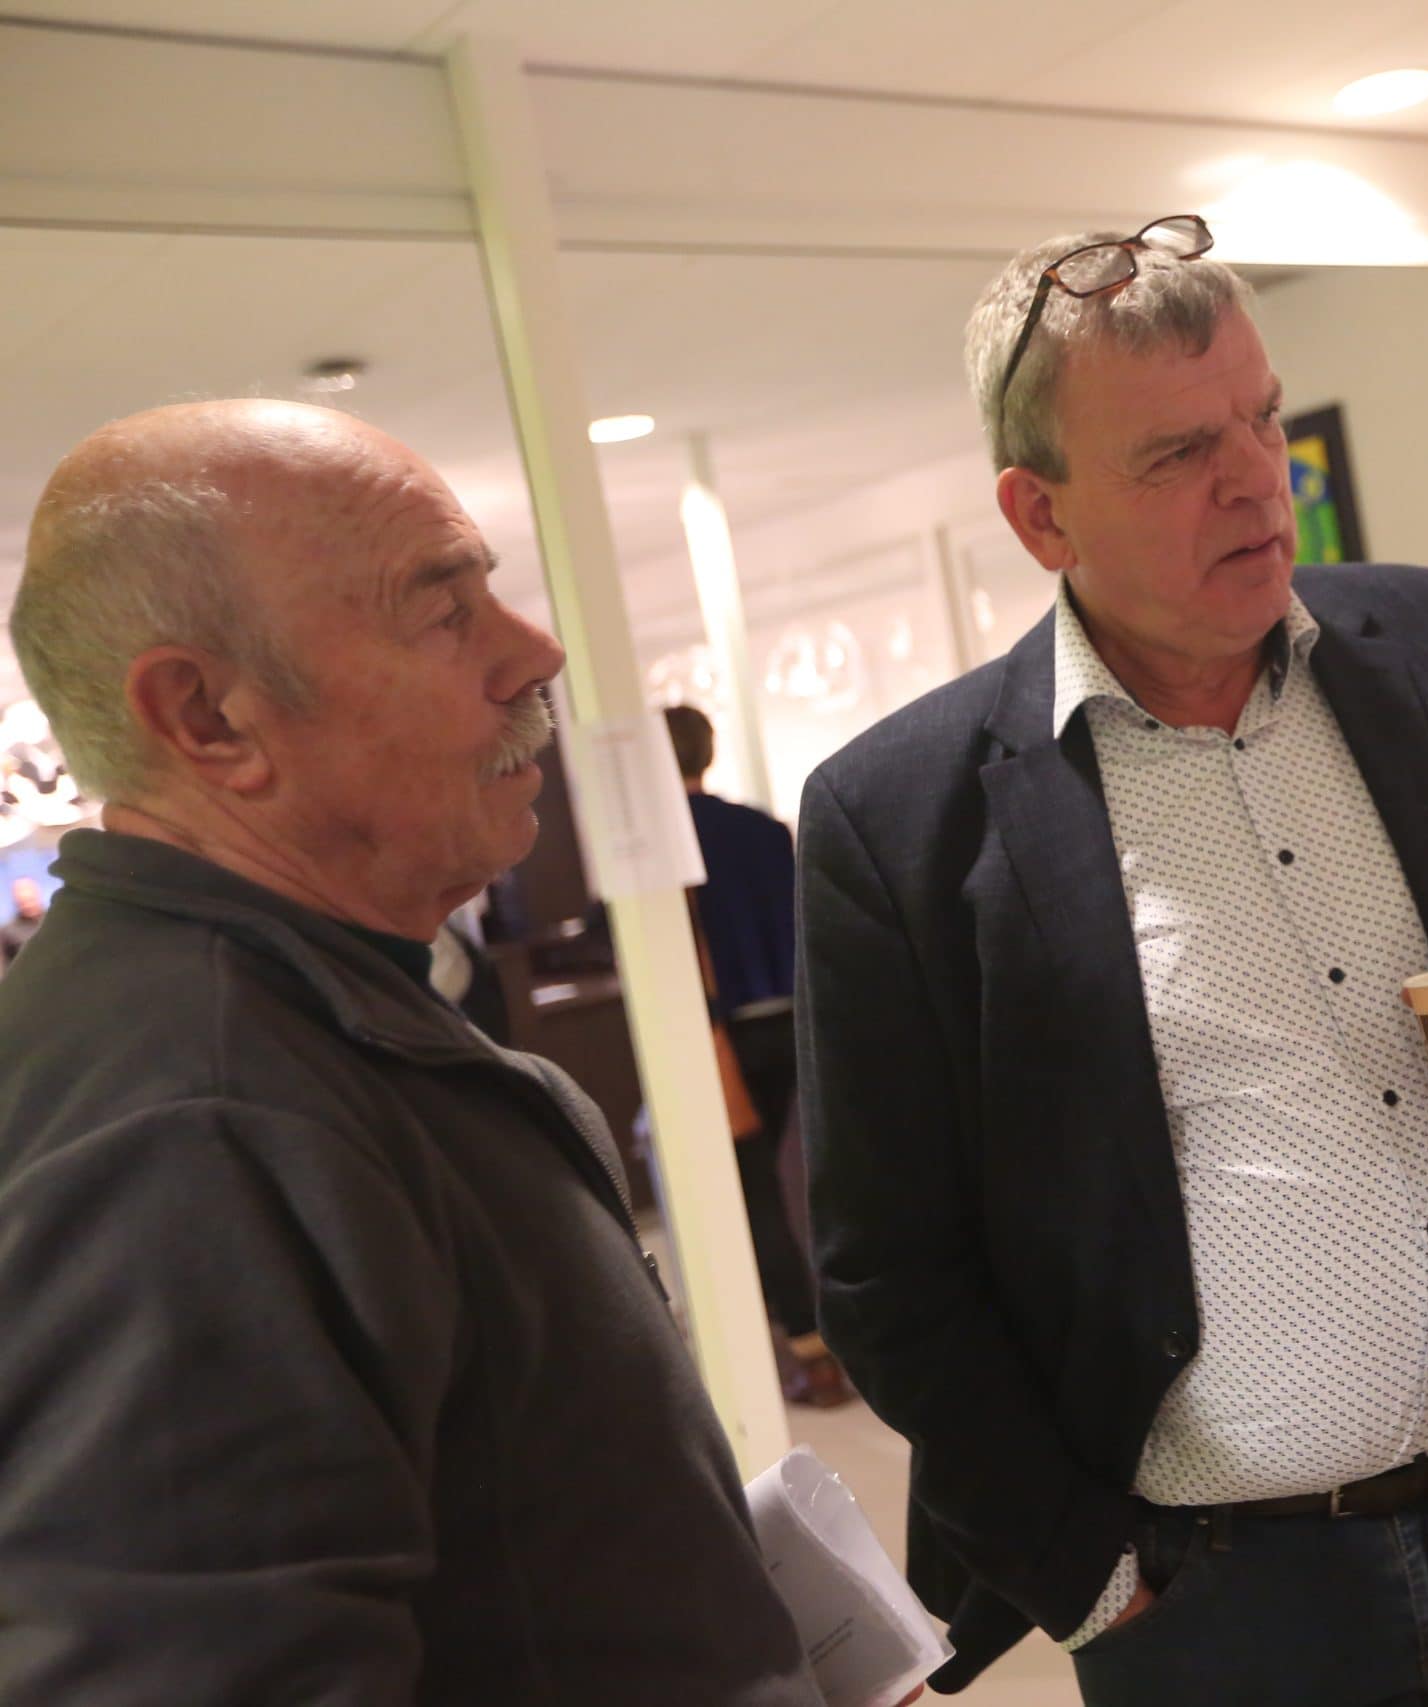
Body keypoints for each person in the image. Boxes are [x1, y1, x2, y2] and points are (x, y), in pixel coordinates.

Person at [796, 215, 1428, 1707]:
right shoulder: (899, 819)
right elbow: (885, 1269)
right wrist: (1082, 1568)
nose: (1259, 476)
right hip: (1218, 1606)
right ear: (1039, 514)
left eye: (1259, 417)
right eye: (1178, 453)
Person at [0, 400, 820, 1704]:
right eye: (445, 613)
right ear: (208, 718)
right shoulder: (197, 1126)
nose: (536, 651)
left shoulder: (300, 1011)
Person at [664, 701, 850, 1408]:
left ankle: (807, 1345)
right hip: (796, 1019)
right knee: (802, 1178)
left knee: (753, 1189)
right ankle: (826, 1329)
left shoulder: (670, 845)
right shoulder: (766, 829)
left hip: (726, 1033)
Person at [0, 876, 43, 972]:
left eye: (30, 900)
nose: (28, 906)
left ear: (37, 894)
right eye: (22, 903)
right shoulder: (7, 931)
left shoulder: (56, 920)